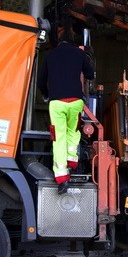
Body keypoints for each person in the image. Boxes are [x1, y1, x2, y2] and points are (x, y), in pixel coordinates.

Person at [37, 22, 95, 192]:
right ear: (73, 41)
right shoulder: (79, 53)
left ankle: (62, 178)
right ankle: (72, 163)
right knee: (74, 132)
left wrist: (46, 93)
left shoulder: (50, 55)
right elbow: (90, 74)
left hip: (57, 103)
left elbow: (41, 81)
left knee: (59, 137)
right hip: (76, 102)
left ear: (57, 41)